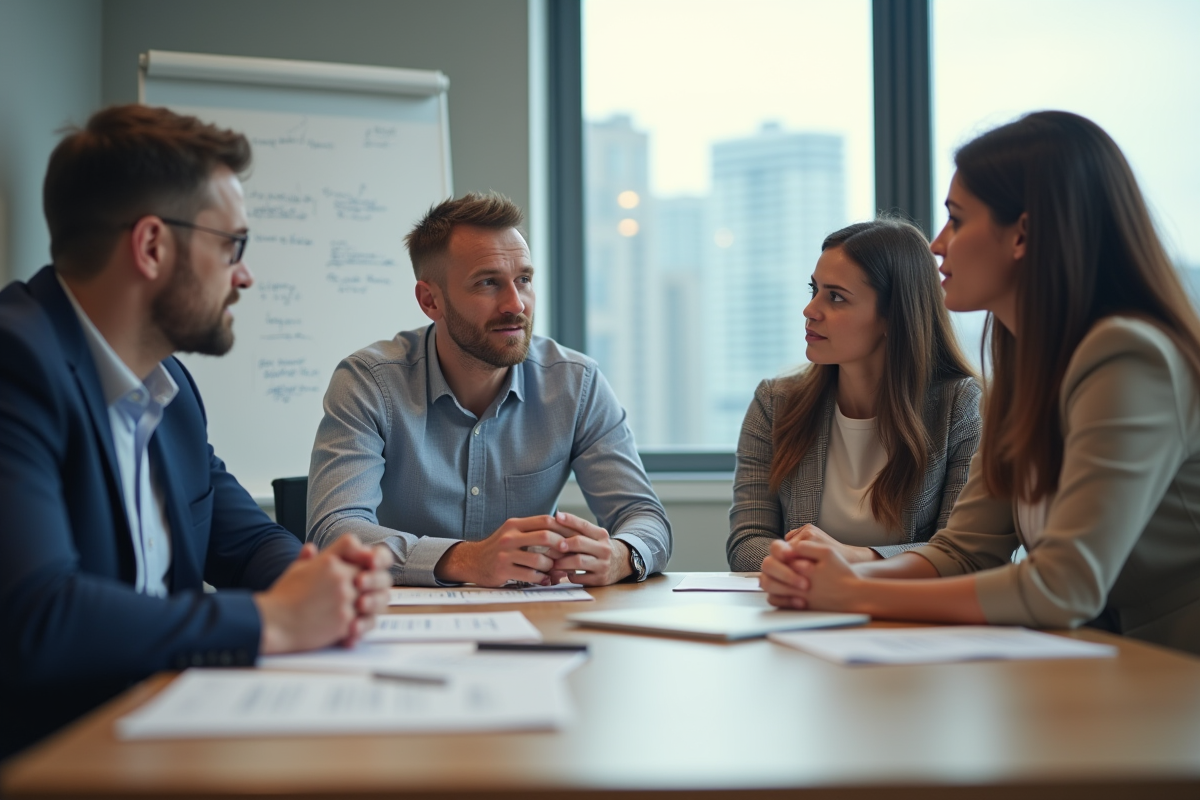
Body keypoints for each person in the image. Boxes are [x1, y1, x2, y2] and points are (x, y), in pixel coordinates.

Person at [0, 105, 393, 758]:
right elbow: (38, 617)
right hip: (53, 762)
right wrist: (275, 618)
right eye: (231, 245)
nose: (245, 274)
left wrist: (318, 573)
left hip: (160, 739)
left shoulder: (169, 388)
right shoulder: (16, 365)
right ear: (152, 245)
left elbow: (238, 539)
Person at [760, 111, 1200, 655]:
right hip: (1098, 671)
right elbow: (966, 552)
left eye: (957, 220)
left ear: (1022, 233)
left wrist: (854, 593)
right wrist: (826, 584)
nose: (938, 244)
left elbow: (1064, 586)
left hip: (1174, 675)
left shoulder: (1128, 356)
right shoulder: (1023, 369)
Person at [307, 193, 671, 587]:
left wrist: (620, 554)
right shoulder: (368, 382)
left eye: (524, 280)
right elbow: (335, 533)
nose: (515, 304)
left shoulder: (575, 383)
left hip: (537, 625)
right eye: (487, 283)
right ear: (430, 300)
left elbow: (645, 518)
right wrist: (465, 559)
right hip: (394, 626)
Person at [728, 219, 981, 571]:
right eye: (812, 289)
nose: (810, 310)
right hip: (802, 611)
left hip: (910, 618)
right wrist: (811, 565)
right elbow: (747, 543)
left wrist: (856, 559)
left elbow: (964, 552)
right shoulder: (775, 403)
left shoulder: (961, 407)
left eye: (835, 297)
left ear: (893, 316)